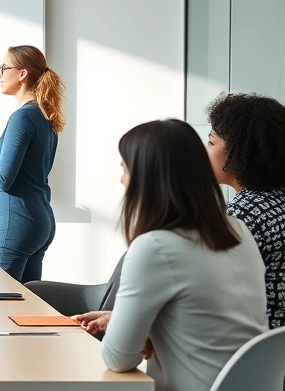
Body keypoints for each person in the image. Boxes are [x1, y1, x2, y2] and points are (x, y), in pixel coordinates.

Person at [73, 119, 267, 391]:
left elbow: (118, 358)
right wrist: (141, 326)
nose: (122, 179)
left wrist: (140, 332)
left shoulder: (155, 247)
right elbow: (204, 319)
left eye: (125, 168)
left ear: (147, 177)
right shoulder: (239, 231)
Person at [205, 93, 285, 329]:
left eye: (211, 142)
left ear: (240, 152)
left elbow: (210, 289)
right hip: (272, 342)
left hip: (243, 337)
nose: (204, 151)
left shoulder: (244, 214)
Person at [0, 45, 65, 282]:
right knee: (26, 303)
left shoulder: (23, 117)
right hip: (40, 222)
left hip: (17, 223)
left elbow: (4, 181)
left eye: (4, 67)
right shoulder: (44, 117)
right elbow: (22, 174)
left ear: (22, 74)